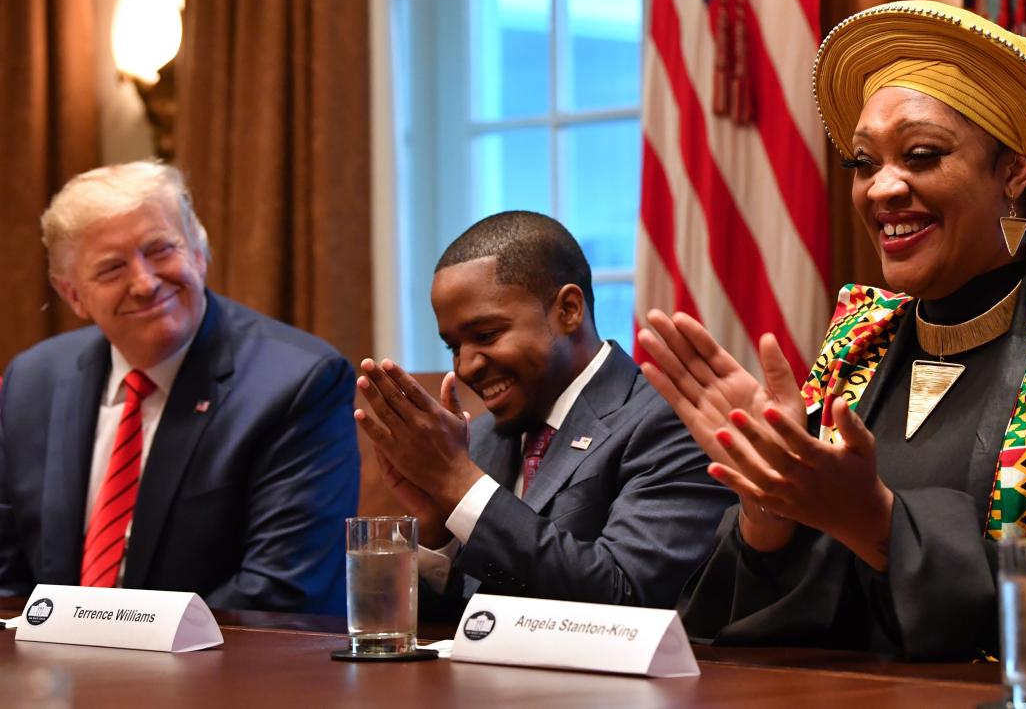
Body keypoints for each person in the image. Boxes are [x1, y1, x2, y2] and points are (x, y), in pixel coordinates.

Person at [638, 0, 1026, 659]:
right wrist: (770, 503)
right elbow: (756, 631)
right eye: (863, 162)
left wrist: (879, 523)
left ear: (1014, 170)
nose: (881, 188)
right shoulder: (860, 341)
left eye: (920, 154)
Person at [0, 160, 359, 614]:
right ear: (73, 295)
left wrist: (118, 659)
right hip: (52, 676)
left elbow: (279, 591)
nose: (146, 283)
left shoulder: (297, 384)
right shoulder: (32, 382)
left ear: (198, 253)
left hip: (225, 676)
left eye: (161, 250)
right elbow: (7, 579)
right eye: (111, 269)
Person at [355, 211, 733, 618]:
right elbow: (448, 633)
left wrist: (456, 482)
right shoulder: (478, 441)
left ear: (568, 310)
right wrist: (434, 530)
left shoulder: (671, 420)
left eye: (485, 336)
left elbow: (629, 596)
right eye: (453, 346)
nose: (465, 367)